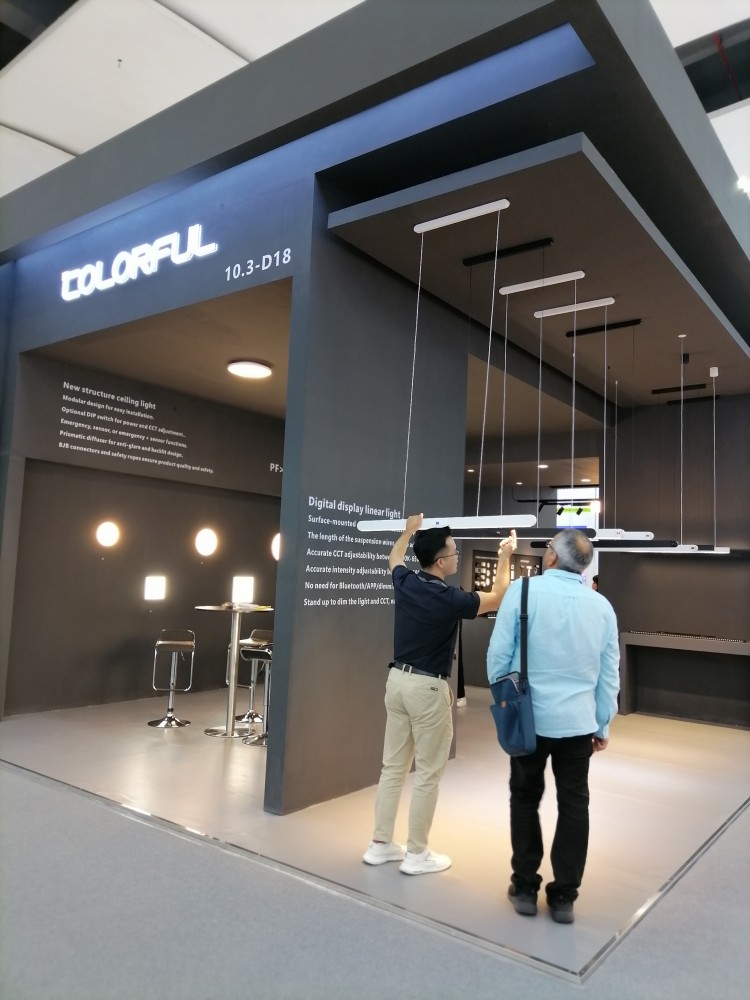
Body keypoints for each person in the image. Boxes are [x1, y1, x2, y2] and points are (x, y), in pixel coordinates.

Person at [363, 514, 516, 875]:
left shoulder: (406, 582)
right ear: (441, 562)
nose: (457, 555)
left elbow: (394, 557)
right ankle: (417, 854)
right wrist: (505, 556)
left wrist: (408, 531)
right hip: (427, 688)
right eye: (453, 551)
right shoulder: (449, 599)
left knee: (393, 769)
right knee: (428, 774)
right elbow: (499, 597)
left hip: (397, 682)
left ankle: (380, 844)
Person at [487, 529, 619, 923]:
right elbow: (608, 674)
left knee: (525, 798)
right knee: (575, 804)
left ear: (552, 557)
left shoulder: (523, 592)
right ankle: (564, 896)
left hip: (529, 719)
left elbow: (498, 656)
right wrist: (602, 724)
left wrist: (505, 703)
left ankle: (525, 886)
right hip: (578, 725)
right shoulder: (601, 607)